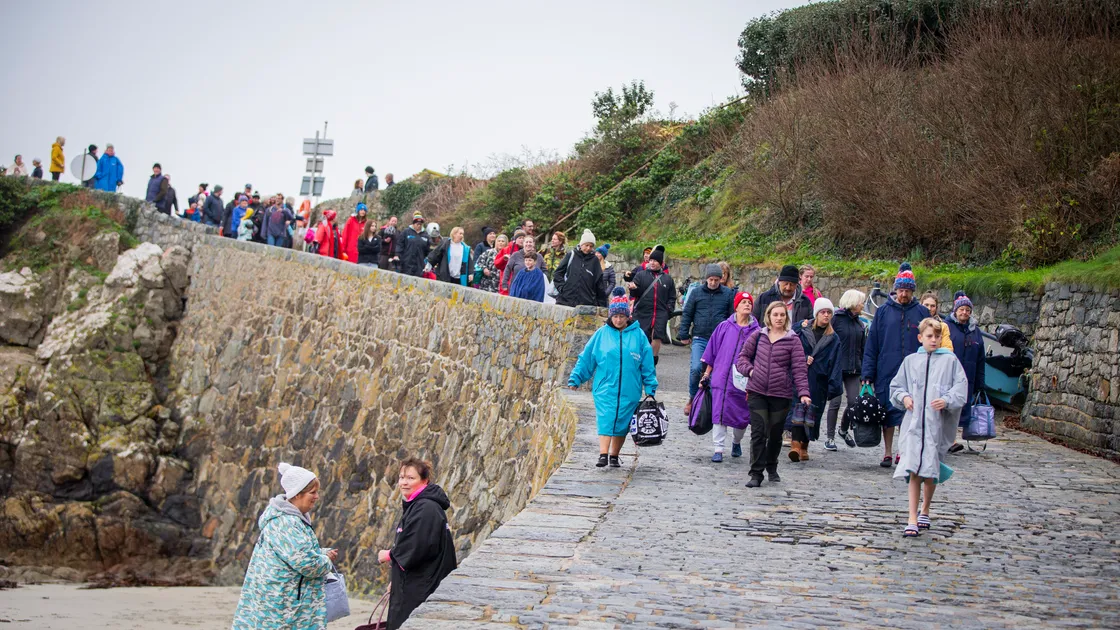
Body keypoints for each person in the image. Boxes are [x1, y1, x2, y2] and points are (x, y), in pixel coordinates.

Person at [231, 463, 338, 630]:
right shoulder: (287, 523)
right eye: (312, 492)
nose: (317, 497)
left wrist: (320, 553)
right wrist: (326, 560)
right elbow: (308, 565)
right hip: (284, 607)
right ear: (296, 494)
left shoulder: (286, 519)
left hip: (279, 602)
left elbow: (297, 554)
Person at [891, 318, 969, 537]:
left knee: (930, 469)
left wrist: (947, 400)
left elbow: (961, 388)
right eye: (929, 336)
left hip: (937, 426)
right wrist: (904, 397)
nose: (933, 340)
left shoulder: (950, 362)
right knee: (914, 468)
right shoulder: (910, 361)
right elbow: (896, 386)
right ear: (920, 338)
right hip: (914, 425)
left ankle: (925, 508)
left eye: (937, 336)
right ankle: (912, 517)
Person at [568, 287, 658, 468]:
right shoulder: (601, 334)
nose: (618, 320)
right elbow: (587, 358)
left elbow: (647, 364)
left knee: (623, 422)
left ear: (627, 316)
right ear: (610, 316)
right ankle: (603, 454)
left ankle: (614, 455)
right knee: (606, 417)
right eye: (615, 316)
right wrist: (576, 378)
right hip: (605, 387)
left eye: (621, 316)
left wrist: (650, 387)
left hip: (629, 388)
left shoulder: (639, 336)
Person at [737, 301, 812, 488]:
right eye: (775, 314)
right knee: (758, 432)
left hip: (781, 394)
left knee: (775, 434)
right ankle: (756, 473)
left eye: (782, 315)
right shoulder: (758, 336)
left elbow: (799, 369)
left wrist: (803, 392)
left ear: (786, 318)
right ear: (768, 317)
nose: (779, 318)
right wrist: (751, 371)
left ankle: (771, 466)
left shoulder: (793, 340)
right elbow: (742, 358)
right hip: (757, 391)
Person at [377, 458, 457, 630]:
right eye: (401, 477)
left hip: (422, 587)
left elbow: (417, 547)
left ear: (424, 480)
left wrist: (389, 554)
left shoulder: (426, 508)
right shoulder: (418, 505)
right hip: (415, 583)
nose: (404, 482)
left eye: (411, 478)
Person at [862, 263, 928, 469]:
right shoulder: (882, 312)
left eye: (907, 291)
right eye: (901, 290)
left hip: (914, 372)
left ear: (912, 291)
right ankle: (888, 452)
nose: (904, 294)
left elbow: (930, 340)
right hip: (886, 370)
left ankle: (903, 451)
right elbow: (872, 344)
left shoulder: (922, 312)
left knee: (909, 412)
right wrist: (867, 373)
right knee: (888, 413)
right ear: (895, 289)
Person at [699, 291, 759, 462]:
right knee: (718, 414)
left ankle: (736, 441)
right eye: (743, 302)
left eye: (749, 302)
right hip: (721, 378)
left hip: (742, 381)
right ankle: (718, 448)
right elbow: (712, 352)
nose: (747, 305)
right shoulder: (723, 327)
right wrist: (706, 375)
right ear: (736, 306)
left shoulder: (757, 331)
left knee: (740, 417)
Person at [788, 297, 843, 462]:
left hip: (820, 380)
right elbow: (790, 343)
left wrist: (834, 386)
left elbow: (836, 363)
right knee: (797, 409)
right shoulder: (803, 329)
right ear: (816, 314)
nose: (826, 315)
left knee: (812, 413)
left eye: (828, 313)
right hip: (800, 376)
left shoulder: (833, 338)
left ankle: (804, 445)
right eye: (823, 312)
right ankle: (795, 445)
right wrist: (803, 358)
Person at [679, 264, 734, 408]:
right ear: (706, 279)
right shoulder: (696, 293)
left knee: (718, 372)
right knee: (697, 368)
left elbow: (732, 316)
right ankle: (692, 398)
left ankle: (713, 402)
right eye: (711, 280)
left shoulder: (728, 294)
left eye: (716, 280)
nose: (714, 283)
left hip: (720, 340)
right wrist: (683, 333)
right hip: (700, 337)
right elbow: (687, 314)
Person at [946, 292, 985, 453]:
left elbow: (981, 358)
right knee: (950, 407)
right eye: (961, 309)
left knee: (962, 408)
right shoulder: (947, 327)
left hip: (969, 375)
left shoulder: (975, 332)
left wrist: (980, 383)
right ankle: (950, 440)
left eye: (967, 310)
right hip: (950, 374)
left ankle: (952, 438)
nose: (964, 313)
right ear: (956, 311)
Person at [829, 289, 868, 450]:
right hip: (838, 366)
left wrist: (865, 370)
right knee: (835, 402)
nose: (863, 305)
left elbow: (863, 348)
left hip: (854, 368)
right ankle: (829, 437)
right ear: (853, 302)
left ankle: (843, 430)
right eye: (861, 302)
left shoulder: (860, 323)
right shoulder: (836, 319)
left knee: (853, 402)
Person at [629, 248, 677, 366]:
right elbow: (634, 295)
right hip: (643, 313)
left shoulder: (667, 279)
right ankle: (639, 363)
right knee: (642, 338)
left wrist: (668, 310)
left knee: (657, 338)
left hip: (660, 313)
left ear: (661, 263)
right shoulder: (640, 275)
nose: (652, 262)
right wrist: (633, 289)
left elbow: (672, 297)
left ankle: (651, 364)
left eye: (655, 260)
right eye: (651, 260)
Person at [554, 229, 606, 308]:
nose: (588, 248)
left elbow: (599, 283)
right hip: (565, 300)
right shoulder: (571, 255)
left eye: (591, 246)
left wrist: (602, 305)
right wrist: (562, 288)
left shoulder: (594, 260)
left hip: (586, 304)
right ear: (581, 244)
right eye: (586, 245)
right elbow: (558, 273)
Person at [398, 213, 432, 277]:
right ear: (413, 224)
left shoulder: (426, 235)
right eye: (417, 224)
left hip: (419, 263)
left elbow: (428, 249)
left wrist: (428, 261)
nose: (419, 226)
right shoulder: (406, 232)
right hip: (407, 262)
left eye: (420, 224)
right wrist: (397, 255)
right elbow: (400, 244)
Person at [495, 230, 524, 295]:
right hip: (506, 282)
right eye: (520, 238)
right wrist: (503, 259)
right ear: (515, 239)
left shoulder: (528, 252)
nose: (522, 240)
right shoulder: (507, 249)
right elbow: (497, 264)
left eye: (523, 238)